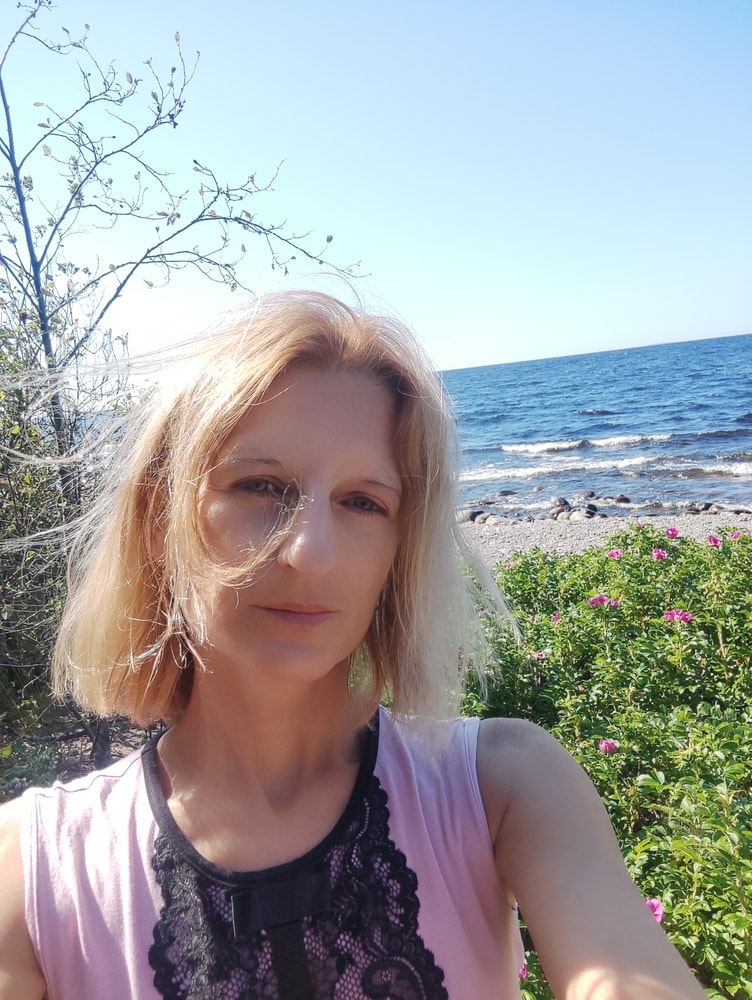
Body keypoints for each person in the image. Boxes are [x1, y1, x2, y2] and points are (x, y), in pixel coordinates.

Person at [0, 291, 707, 999]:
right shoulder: (31, 874)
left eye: (364, 502)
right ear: (161, 519)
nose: (312, 553)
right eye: (261, 486)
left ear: (400, 550)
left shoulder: (505, 788)